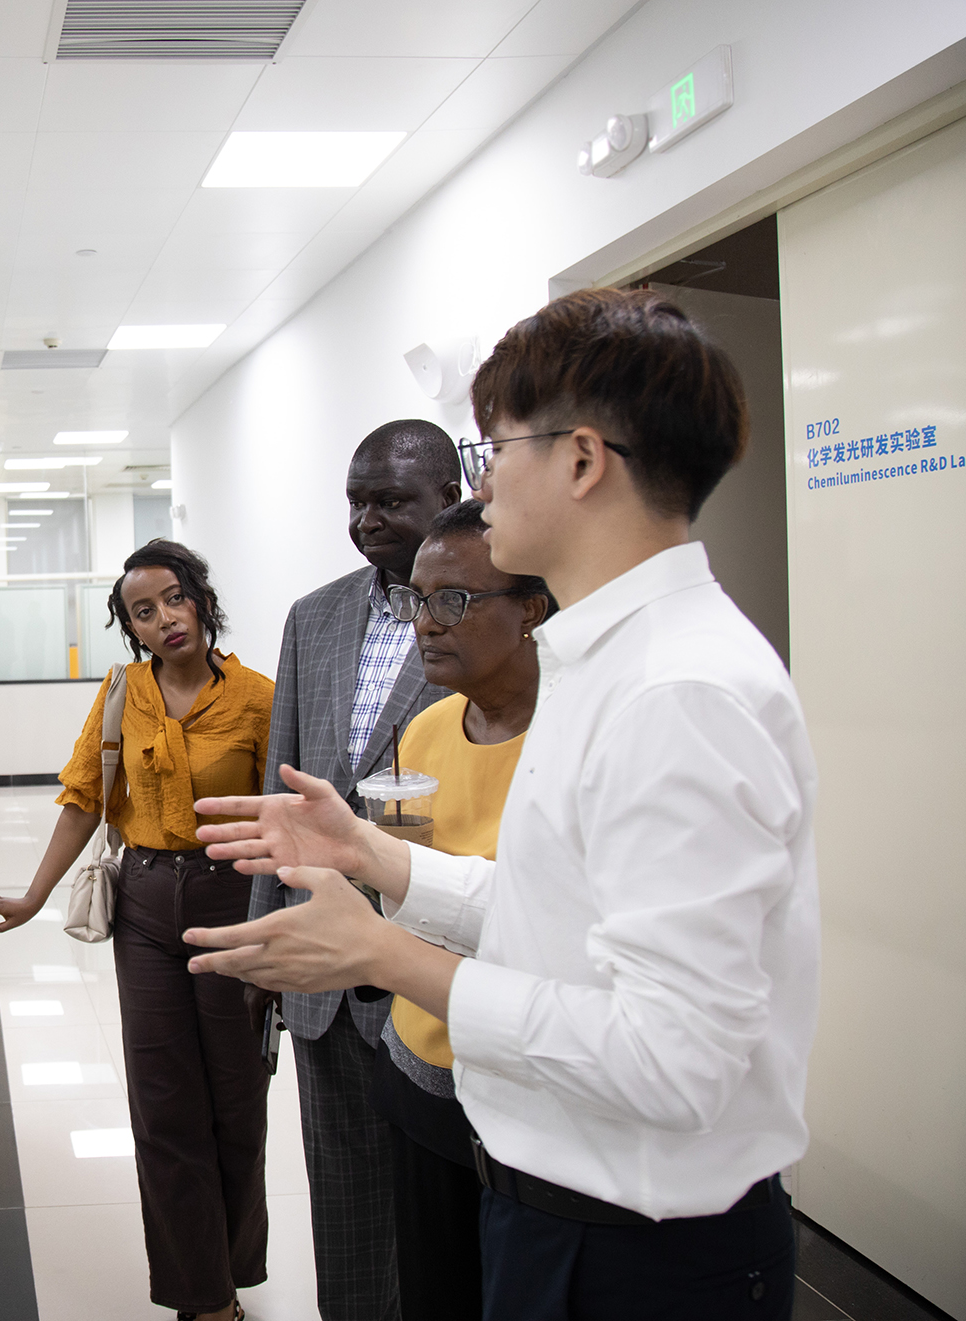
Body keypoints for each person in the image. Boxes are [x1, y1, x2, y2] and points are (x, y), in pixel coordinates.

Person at [188, 288, 816, 1319]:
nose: (479, 485)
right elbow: (556, 915)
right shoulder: (600, 661)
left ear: (582, 461)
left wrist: (385, 955)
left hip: (638, 1251)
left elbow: (671, 1060)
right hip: (551, 1209)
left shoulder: (677, 692)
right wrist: (379, 859)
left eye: (493, 451)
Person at [0, 540, 275, 1321]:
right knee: (164, 1105)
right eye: (143, 611)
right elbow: (84, 798)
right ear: (131, 628)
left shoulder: (260, 699)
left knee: (237, 1100)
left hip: (233, 904)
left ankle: (234, 1261)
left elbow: (287, 816)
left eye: (174, 597)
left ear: (201, 599)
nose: (164, 618)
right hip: (145, 904)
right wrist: (32, 896)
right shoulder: (121, 693)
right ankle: (205, 1297)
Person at [253, 418, 460, 1321]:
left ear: (448, 498)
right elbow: (282, 789)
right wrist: (266, 946)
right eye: (356, 501)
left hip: (434, 965)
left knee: (436, 1217)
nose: (367, 519)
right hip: (321, 973)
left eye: (390, 501)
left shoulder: (490, 610)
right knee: (342, 1203)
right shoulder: (316, 616)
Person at [367, 500, 552, 1321]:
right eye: (417, 599)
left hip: (524, 1076)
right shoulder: (428, 729)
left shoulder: (575, 738)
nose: (426, 623)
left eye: (454, 600)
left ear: (531, 609)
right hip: (422, 1066)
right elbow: (406, 891)